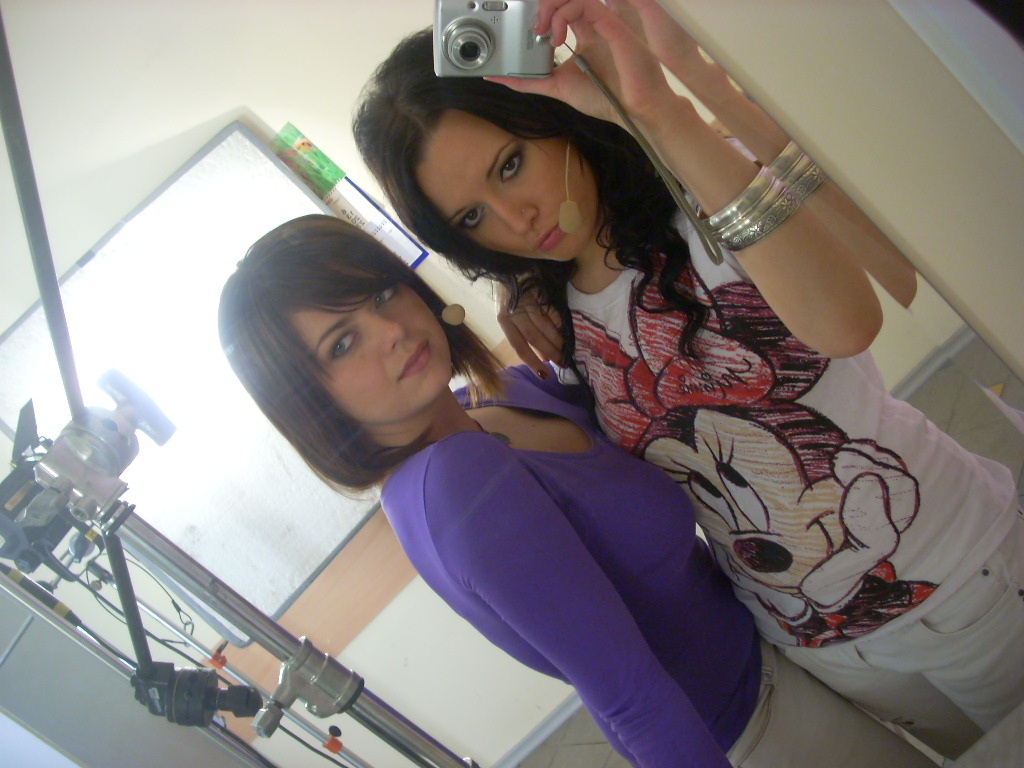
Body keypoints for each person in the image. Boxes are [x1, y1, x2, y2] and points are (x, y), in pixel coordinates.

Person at [350, 0, 1024, 759]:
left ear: (548, 117)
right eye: (473, 218)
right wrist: (522, 289)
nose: (518, 216)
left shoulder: (707, 196)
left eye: (511, 164)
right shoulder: (556, 321)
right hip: (819, 648)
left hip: (964, 576)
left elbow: (852, 319)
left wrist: (653, 108)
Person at [218, 214, 936, 768]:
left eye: (382, 293)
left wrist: (524, 287)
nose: (390, 329)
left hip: (784, 637)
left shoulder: (491, 402)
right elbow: (628, 698)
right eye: (342, 343)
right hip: (752, 724)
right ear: (309, 402)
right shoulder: (456, 483)